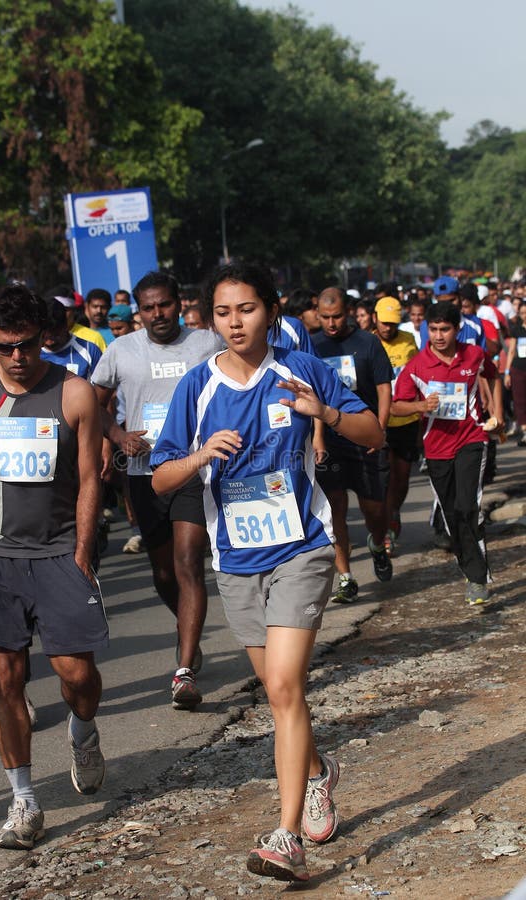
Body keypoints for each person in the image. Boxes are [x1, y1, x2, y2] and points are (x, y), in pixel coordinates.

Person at [151, 261, 382, 883]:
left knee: (282, 686)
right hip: (237, 561)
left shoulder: (301, 369)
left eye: (246, 309)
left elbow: (374, 431)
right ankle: (317, 774)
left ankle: (285, 839)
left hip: (301, 548)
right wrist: (200, 454)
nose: (234, 322)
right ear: (210, 318)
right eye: (222, 312)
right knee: (281, 693)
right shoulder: (197, 386)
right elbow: (160, 476)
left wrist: (325, 414)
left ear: (271, 311)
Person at [0, 285, 108, 849]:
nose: (16, 357)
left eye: (27, 345)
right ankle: (24, 801)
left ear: (42, 336)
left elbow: (87, 479)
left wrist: (82, 553)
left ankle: (83, 731)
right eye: (4, 346)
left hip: (58, 551)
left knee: (76, 674)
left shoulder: (75, 393)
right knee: (3, 679)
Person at [93, 270, 223, 710]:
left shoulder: (207, 343)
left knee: (188, 563)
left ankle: (184, 669)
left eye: (163, 305)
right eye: (147, 308)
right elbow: (93, 402)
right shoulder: (121, 350)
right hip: (143, 472)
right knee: (163, 574)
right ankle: (186, 629)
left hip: (191, 468)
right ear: (138, 312)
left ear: (178, 302)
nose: (157, 314)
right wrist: (116, 434)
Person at [392, 301, 503, 606]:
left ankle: (478, 578)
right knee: (453, 512)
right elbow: (395, 404)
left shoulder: (474, 355)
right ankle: (471, 568)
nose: (439, 335)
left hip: (472, 438)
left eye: (445, 329)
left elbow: (492, 375)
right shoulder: (417, 365)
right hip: (436, 446)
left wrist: (496, 411)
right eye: (434, 329)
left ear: (457, 329)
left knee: (468, 505)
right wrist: (420, 406)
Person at [312, 288, 393, 602]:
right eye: (325, 318)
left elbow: (384, 389)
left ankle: (377, 542)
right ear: (317, 315)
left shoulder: (367, 342)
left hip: (364, 438)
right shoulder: (312, 346)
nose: (331, 324)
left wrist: (379, 430)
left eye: (337, 317)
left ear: (348, 313)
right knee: (334, 512)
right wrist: (318, 437)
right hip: (330, 443)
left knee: (374, 510)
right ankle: (345, 577)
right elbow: (312, 395)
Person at [373, 297, 419, 554]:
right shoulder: (369, 342)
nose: (388, 328)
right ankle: (388, 525)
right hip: (379, 420)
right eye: (383, 323)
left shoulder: (408, 340)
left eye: (392, 323)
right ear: (374, 318)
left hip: (407, 419)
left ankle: (394, 511)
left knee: (402, 478)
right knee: (386, 478)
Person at [41, 298, 102, 380]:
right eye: (44, 336)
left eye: (56, 335)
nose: (49, 342)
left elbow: (103, 389)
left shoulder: (90, 351)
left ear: (66, 326)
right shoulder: (31, 353)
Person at [44, 286, 106, 352]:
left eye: (65, 309)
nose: (60, 313)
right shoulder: (37, 339)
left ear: (73, 310)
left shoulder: (94, 338)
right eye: (56, 309)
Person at [505, 300, 526, 446]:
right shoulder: (516, 330)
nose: (525, 315)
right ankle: (525, 431)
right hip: (518, 368)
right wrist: (507, 372)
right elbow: (511, 351)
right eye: (522, 313)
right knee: (519, 401)